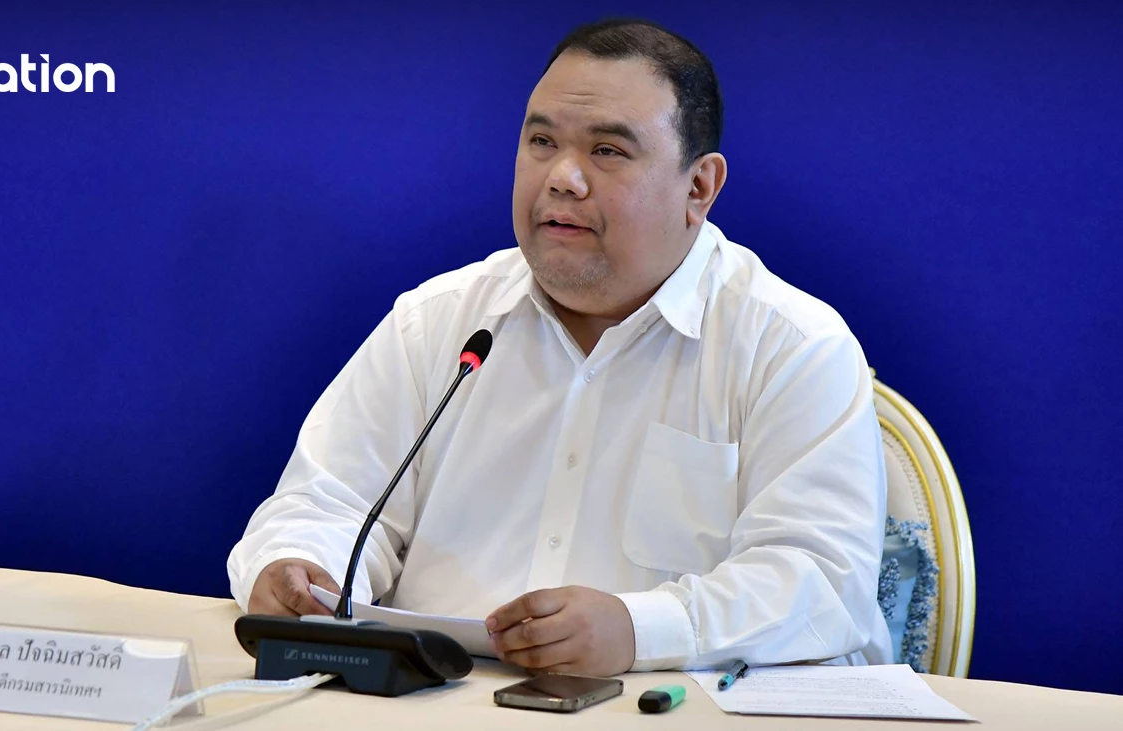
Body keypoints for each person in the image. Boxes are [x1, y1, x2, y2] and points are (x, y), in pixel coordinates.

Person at [227, 18, 892, 677]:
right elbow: (327, 502)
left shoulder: (792, 347)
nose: (563, 177)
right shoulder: (437, 323)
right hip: (432, 699)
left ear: (698, 188)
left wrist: (640, 629)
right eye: (542, 141)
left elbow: (822, 582)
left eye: (607, 151)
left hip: (663, 706)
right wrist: (297, 565)